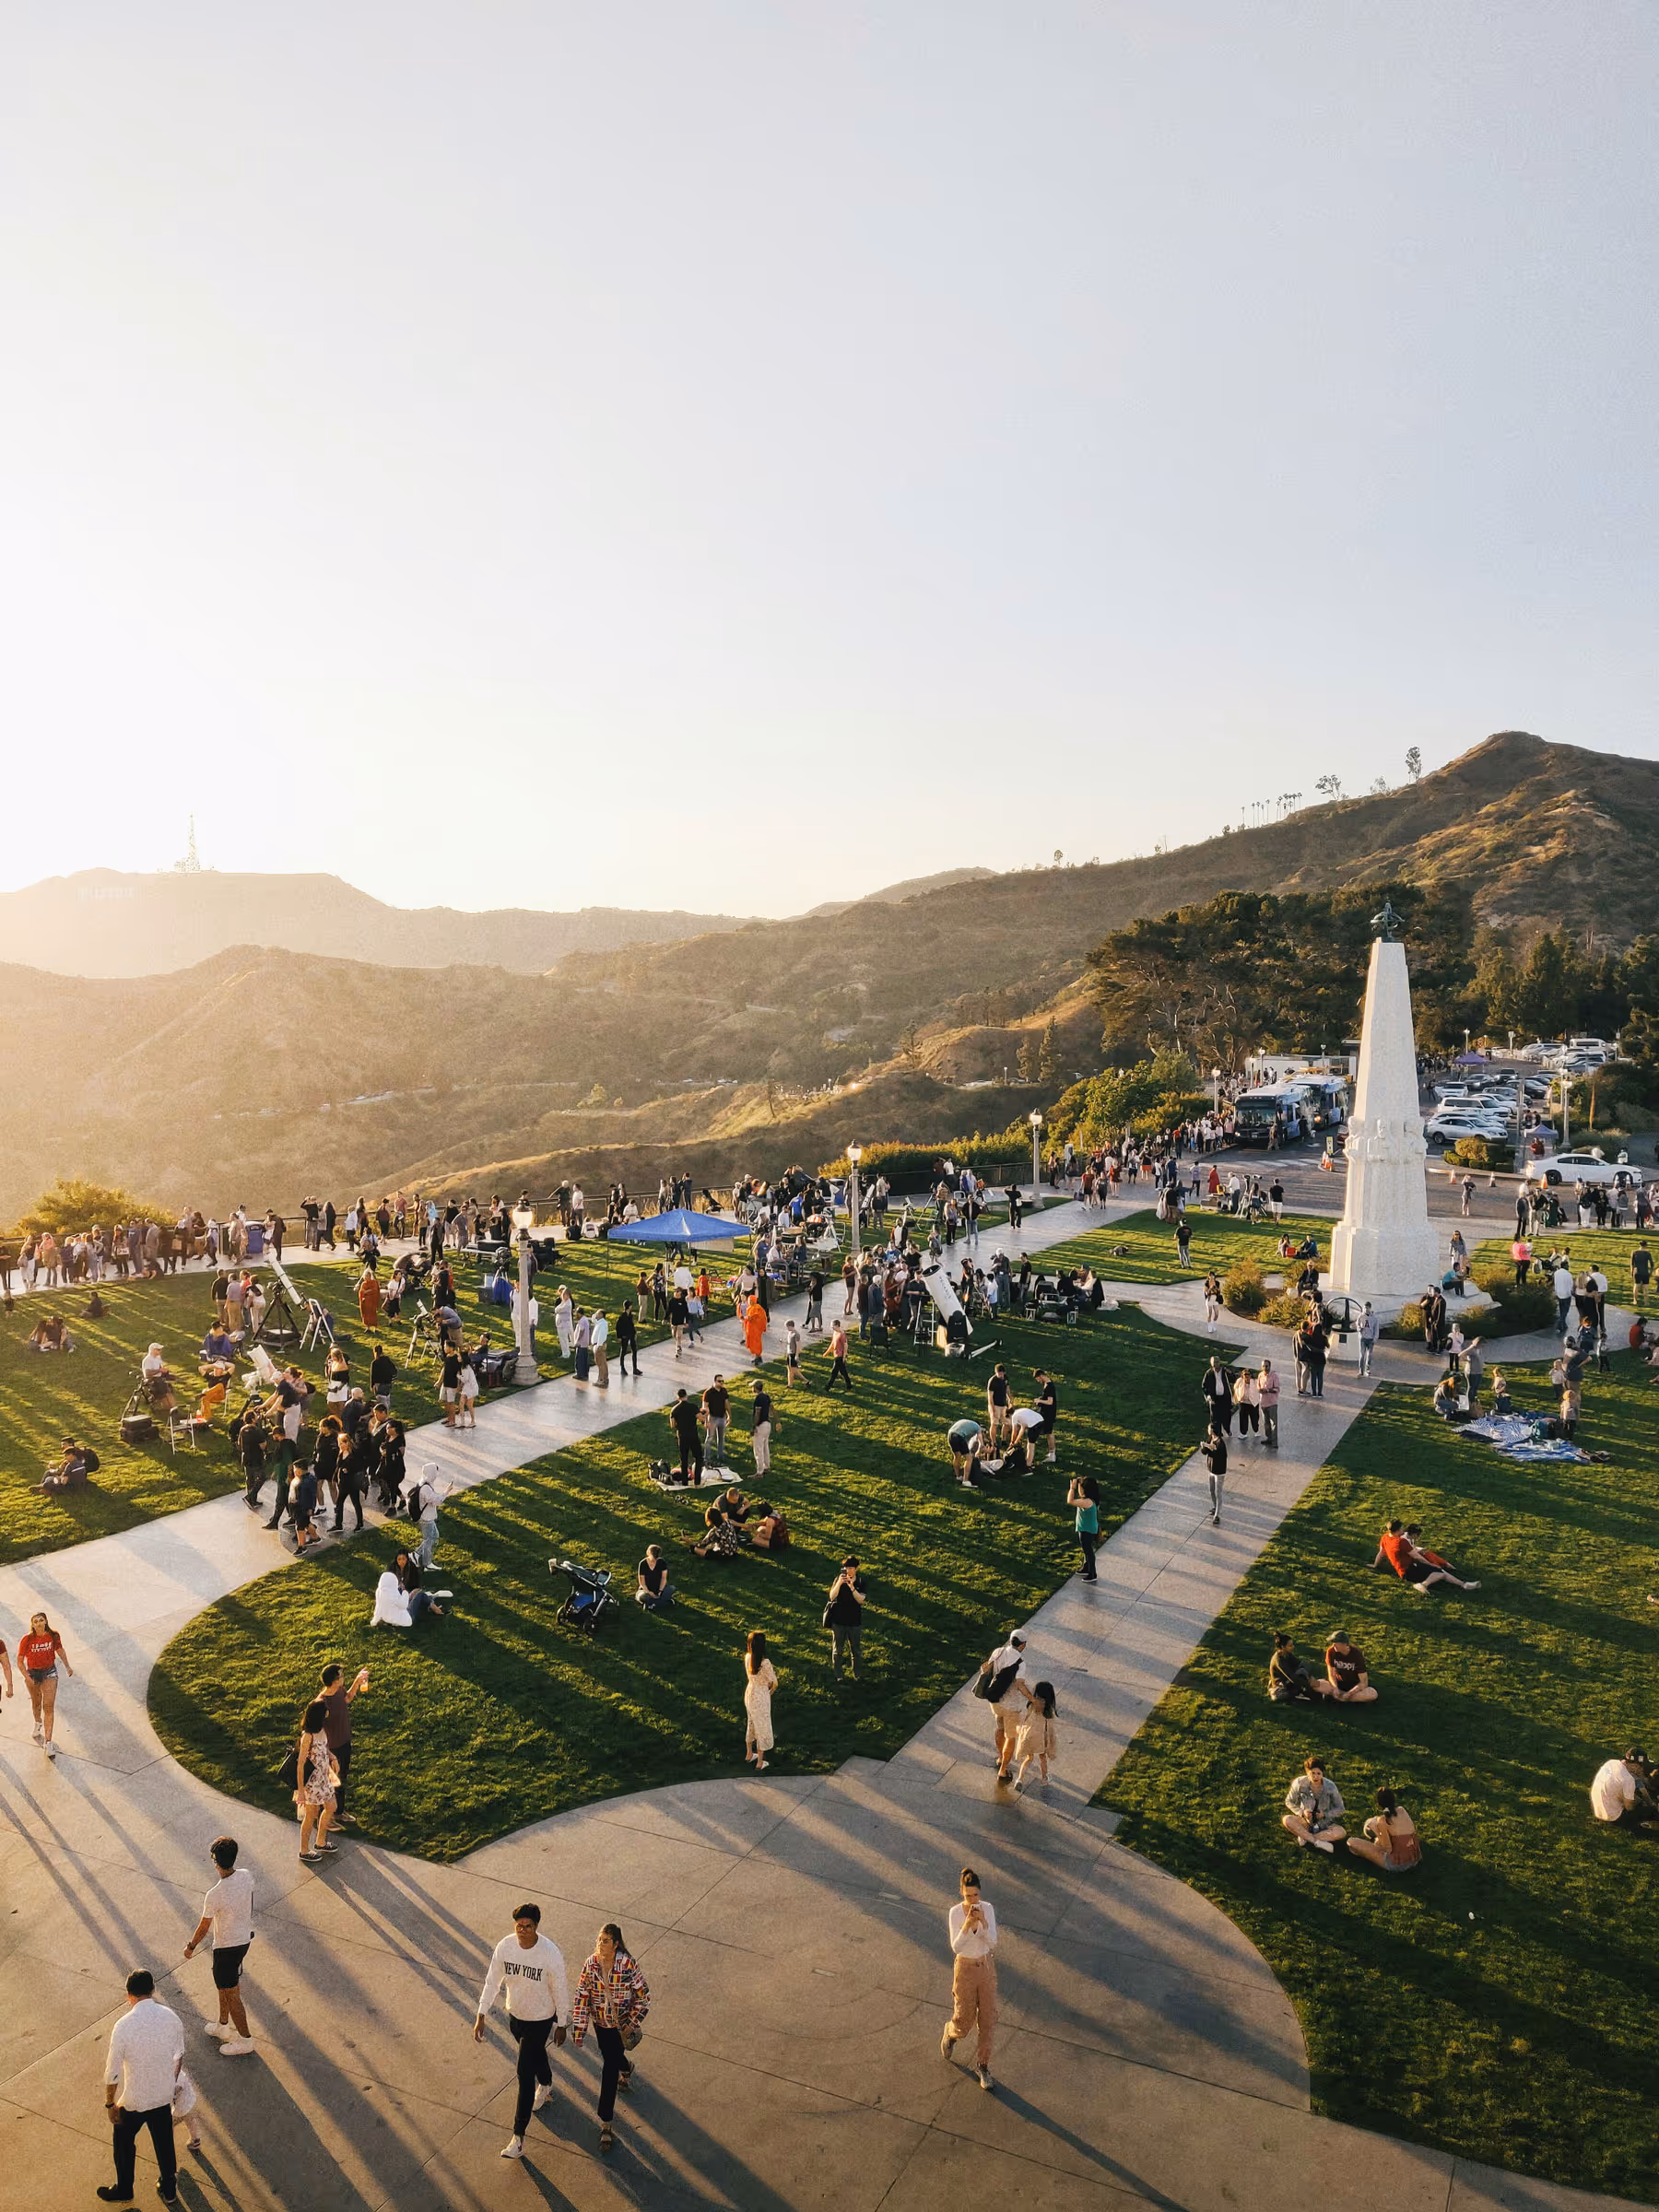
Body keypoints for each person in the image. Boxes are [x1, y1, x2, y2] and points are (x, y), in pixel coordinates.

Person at [475, 1902, 571, 2162]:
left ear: (536, 1927)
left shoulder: (549, 1953)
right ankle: (548, 2082)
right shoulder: (505, 1947)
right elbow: (492, 1980)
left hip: (541, 2019)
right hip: (516, 2016)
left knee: (523, 2072)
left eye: (528, 1926)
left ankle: (518, 2137)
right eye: (519, 1925)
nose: (523, 1930)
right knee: (535, 2055)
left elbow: (560, 1987)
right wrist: (481, 2013)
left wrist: (562, 2022)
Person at [99, 1969, 186, 2205]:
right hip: (162, 2095)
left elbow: (113, 2072)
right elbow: (179, 2056)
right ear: (152, 1990)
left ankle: (124, 2188)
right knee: (164, 2142)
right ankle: (169, 2189)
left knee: (123, 2142)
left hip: (134, 2100)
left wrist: (110, 2104)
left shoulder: (123, 2026)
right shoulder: (171, 2018)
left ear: (129, 1996)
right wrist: (171, 2081)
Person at [571, 1923, 651, 2156]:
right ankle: (626, 2068)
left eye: (605, 1940)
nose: (600, 1943)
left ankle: (606, 2122)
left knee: (608, 2068)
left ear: (616, 1943)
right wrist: (579, 2029)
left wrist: (631, 2023)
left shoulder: (626, 1964)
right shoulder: (591, 1964)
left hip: (620, 2026)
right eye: (599, 1939)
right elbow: (581, 1996)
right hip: (600, 2023)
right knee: (613, 2058)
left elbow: (644, 1996)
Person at [182, 1837, 257, 2056]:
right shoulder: (246, 1875)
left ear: (216, 1861)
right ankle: (223, 2025)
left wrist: (190, 1947)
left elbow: (204, 1927)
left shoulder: (214, 1894)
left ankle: (245, 2040)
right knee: (224, 1986)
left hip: (226, 1948)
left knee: (232, 1994)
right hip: (243, 1941)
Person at [940, 1867, 999, 2091]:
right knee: (964, 2020)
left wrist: (983, 1924)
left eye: (975, 1895)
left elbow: (992, 1942)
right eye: (968, 1896)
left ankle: (983, 2066)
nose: (972, 1900)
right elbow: (956, 1947)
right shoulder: (955, 1913)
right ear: (961, 1893)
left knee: (988, 2019)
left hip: (985, 1967)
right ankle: (951, 2033)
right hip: (964, 1969)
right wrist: (967, 1926)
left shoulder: (988, 1910)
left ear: (980, 1894)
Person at [1372, 1519, 1479, 1594]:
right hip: (1408, 1570)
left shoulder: (1385, 1538)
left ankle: (1464, 1585)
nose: (1403, 1530)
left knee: (1440, 1571)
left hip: (1407, 1568)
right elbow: (1417, 1557)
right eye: (1401, 1529)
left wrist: (1375, 1565)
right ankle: (1423, 1585)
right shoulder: (1401, 1542)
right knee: (1439, 1573)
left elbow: (1381, 1553)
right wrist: (1431, 1565)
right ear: (1396, 1530)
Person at [18, 1610, 72, 1757]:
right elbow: (19, 1660)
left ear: (46, 1622)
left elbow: (60, 1650)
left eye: (41, 1620)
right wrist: (27, 1677)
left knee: (48, 1706)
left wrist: (67, 1666)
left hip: (50, 1672)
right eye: (35, 1621)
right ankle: (37, 1723)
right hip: (33, 1674)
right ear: (32, 1625)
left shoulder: (53, 1635)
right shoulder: (27, 1639)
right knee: (36, 1704)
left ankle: (48, 1743)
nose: (39, 1623)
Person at [983, 1629, 1035, 1783]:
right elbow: (1019, 1685)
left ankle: (1000, 1758)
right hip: (1011, 1706)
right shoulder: (1020, 1663)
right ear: (1023, 1645)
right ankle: (1003, 1770)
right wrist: (1032, 1698)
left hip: (995, 1701)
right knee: (1010, 1737)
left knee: (1000, 1728)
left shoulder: (998, 1651)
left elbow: (987, 1668)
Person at [295, 1698, 341, 1863]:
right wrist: (301, 1791)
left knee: (331, 1806)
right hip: (313, 1783)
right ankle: (304, 1850)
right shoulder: (307, 1736)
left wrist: (333, 1757)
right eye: (326, 1710)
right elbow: (300, 1765)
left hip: (324, 1778)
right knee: (311, 1815)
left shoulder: (322, 1729)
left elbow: (325, 1749)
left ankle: (320, 1842)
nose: (328, 1711)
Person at [1346, 1786, 1422, 1871]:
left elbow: (1387, 1849)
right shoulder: (1402, 1810)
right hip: (1414, 1858)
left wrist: (1377, 1832)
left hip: (1396, 1864)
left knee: (1351, 1842)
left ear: (1378, 1804)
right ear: (1394, 1799)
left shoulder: (1383, 1821)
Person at [1281, 1756, 1347, 1852]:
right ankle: (1317, 1842)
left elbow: (1340, 1808)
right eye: (1312, 1773)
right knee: (1287, 1820)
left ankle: (1305, 1836)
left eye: (1318, 1773)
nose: (1315, 1777)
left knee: (1341, 1832)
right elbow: (1289, 1801)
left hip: (1324, 1824)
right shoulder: (1299, 1783)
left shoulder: (1330, 1786)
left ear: (1322, 1773)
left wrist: (1325, 1814)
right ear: (1307, 1772)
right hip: (1306, 1822)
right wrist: (1302, 1812)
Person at [1589, 1748, 1657, 1827]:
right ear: (1635, 1765)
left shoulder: (1611, 1763)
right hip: (1613, 1817)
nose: (1641, 1769)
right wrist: (1645, 1804)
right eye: (1641, 1767)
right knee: (1651, 1811)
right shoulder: (1628, 1780)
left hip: (1599, 1811)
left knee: (1633, 1796)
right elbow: (1630, 1808)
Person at [825, 1557, 866, 1679]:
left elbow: (861, 1600)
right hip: (838, 1621)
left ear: (856, 1569)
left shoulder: (860, 1582)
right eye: (846, 1568)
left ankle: (857, 1674)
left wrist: (851, 1587)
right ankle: (839, 1675)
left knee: (856, 1651)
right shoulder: (839, 1579)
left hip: (854, 1622)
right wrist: (839, 1583)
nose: (848, 1571)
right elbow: (832, 1597)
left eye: (851, 1568)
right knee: (837, 1651)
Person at [1013, 1681, 1058, 1792]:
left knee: (1029, 1758)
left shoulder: (1031, 1705)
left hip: (1028, 1736)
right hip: (1041, 1738)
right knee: (1043, 1758)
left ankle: (1019, 1779)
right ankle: (1044, 1779)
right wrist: (1051, 1745)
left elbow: (1023, 1719)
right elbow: (1050, 1729)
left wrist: (1020, 1730)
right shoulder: (1048, 1710)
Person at [744, 1630, 778, 1770]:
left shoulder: (747, 1657)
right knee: (762, 1726)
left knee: (751, 1722)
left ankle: (749, 1754)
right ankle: (760, 1762)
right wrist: (770, 1691)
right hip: (761, 1695)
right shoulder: (765, 1663)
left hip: (750, 1692)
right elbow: (774, 1682)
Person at [371, 1564, 447, 1627]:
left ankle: (430, 1600)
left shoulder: (379, 1592)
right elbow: (403, 1605)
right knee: (420, 1594)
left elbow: (378, 1608)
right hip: (405, 1619)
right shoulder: (392, 1595)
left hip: (388, 1618)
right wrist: (404, 1592)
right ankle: (435, 1608)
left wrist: (375, 1621)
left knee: (415, 1592)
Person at [1317, 1631, 1377, 1703]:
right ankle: (1342, 1697)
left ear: (1344, 1644)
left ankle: (1339, 1698)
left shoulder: (1356, 1654)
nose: (1333, 1646)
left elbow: (1364, 1682)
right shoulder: (1331, 1651)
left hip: (1355, 1686)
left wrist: (1349, 1694)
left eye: (1336, 1643)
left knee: (1372, 1694)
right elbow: (1331, 1675)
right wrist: (1335, 1688)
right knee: (1316, 1684)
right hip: (1339, 1684)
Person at [1266, 1631, 1318, 1701]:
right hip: (1283, 1683)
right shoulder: (1279, 1660)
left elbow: (1298, 1663)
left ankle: (1302, 1687)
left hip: (1290, 1676)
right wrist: (1307, 1686)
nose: (1293, 1647)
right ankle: (1298, 1693)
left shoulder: (1287, 1654)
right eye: (1290, 1646)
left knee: (1305, 1664)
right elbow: (1291, 1677)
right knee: (1281, 1695)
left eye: (1292, 1645)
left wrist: (1310, 1677)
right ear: (1283, 1647)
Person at [1067, 1475, 1100, 1581]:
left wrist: (1072, 1488)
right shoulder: (1091, 1500)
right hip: (1087, 1528)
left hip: (1087, 1530)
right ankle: (1087, 1567)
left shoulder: (1086, 1502)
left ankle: (1092, 1573)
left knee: (1088, 1551)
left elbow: (1070, 1501)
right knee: (1086, 1550)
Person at [668, 1388, 704, 1481]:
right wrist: (705, 1413)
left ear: (678, 1397)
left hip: (682, 1436)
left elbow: (672, 1425)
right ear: (686, 1396)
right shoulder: (693, 1407)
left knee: (684, 1460)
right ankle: (697, 1481)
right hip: (693, 1435)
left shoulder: (674, 1409)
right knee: (698, 1457)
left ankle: (684, 1482)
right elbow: (701, 1418)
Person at [1201, 1425, 1228, 1524]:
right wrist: (1204, 1447)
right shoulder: (1210, 1439)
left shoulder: (1221, 1443)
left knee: (1218, 1493)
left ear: (1212, 1430)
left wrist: (1213, 1450)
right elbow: (1205, 1452)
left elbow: (1223, 1456)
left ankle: (1217, 1515)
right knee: (1212, 1490)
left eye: (1208, 1428)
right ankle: (1215, 1506)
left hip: (1219, 1471)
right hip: (1211, 1470)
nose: (1207, 1430)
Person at [636, 1545, 676, 1611]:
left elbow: (663, 1578)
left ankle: (652, 1604)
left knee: (672, 1589)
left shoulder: (662, 1562)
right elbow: (642, 1583)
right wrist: (649, 1592)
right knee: (642, 1597)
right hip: (646, 1590)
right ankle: (662, 1603)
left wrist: (660, 1591)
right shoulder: (643, 1563)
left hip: (659, 1589)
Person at [701, 1375, 731, 1465]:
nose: (721, 1383)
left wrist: (729, 1416)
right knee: (709, 1438)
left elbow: (726, 1404)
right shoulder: (708, 1392)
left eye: (722, 1381)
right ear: (715, 1381)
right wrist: (706, 1421)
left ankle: (721, 1456)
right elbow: (704, 1408)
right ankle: (706, 1458)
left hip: (722, 1417)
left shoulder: (724, 1391)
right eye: (719, 1381)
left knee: (721, 1438)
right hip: (712, 1418)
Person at [1201, 1355, 1233, 1434]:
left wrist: (1230, 1373)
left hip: (1225, 1398)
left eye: (1217, 1362)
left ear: (1220, 1362)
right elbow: (1204, 1386)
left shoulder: (1225, 1371)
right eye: (1214, 1363)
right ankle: (1218, 1433)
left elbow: (1233, 1379)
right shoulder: (1209, 1373)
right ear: (1211, 1364)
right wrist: (1208, 1396)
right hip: (1214, 1399)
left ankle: (1227, 1429)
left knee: (1226, 1415)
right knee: (1215, 1417)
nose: (1215, 1364)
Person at [1032, 1368, 1058, 1464]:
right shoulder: (1047, 1384)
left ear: (1041, 1376)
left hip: (1049, 1414)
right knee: (1048, 1433)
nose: (1038, 1381)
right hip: (1047, 1413)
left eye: (1038, 1379)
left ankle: (1052, 1454)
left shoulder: (1049, 1386)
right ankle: (1051, 1452)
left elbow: (1050, 1402)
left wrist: (1039, 1401)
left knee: (1049, 1433)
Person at [948, 1417, 985, 1485]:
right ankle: (965, 1481)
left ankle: (958, 1476)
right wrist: (982, 1446)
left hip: (950, 1434)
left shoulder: (966, 1423)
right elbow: (980, 1439)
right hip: (959, 1436)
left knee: (957, 1456)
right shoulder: (977, 1427)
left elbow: (966, 1441)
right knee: (969, 1459)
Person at [825, 1318, 852, 1391]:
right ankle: (849, 1385)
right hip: (836, 1355)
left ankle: (828, 1386)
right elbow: (833, 1343)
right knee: (843, 1371)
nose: (832, 1328)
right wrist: (827, 1352)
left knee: (834, 1372)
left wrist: (844, 1357)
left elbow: (846, 1346)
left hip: (840, 1356)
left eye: (832, 1326)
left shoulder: (842, 1334)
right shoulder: (835, 1333)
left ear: (837, 1326)